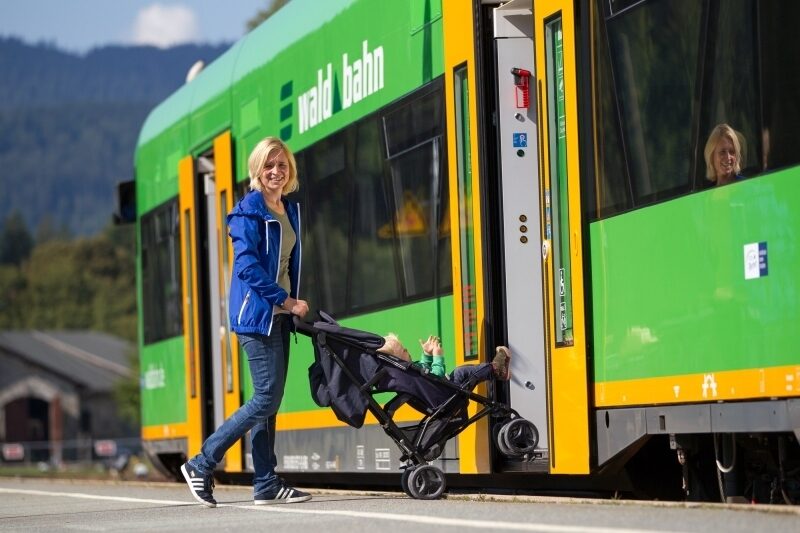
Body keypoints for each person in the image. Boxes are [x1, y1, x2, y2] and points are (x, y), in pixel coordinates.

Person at [181, 136, 311, 507]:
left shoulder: (290, 210)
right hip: (256, 316)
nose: (276, 171)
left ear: (290, 170)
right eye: (269, 165)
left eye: (281, 165)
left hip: (280, 317)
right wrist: (285, 299)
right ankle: (201, 463)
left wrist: (289, 305)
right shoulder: (247, 213)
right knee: (266, 396)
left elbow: (285, 262)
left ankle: (266, 483)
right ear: (257, 170)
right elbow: (248, 267)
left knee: (271, 401)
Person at [380, 333, 511, 388]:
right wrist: (437, 357)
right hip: (445, 393)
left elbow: (423, 368)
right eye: (403, 350)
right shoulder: (408, 374)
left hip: (443, 394)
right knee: (462, 372)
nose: (407, 350)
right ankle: (497, 369)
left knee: (468, 375)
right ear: (397, 360)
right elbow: (437, 377)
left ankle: (494, 372)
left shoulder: (407, 373)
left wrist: (426, 353)